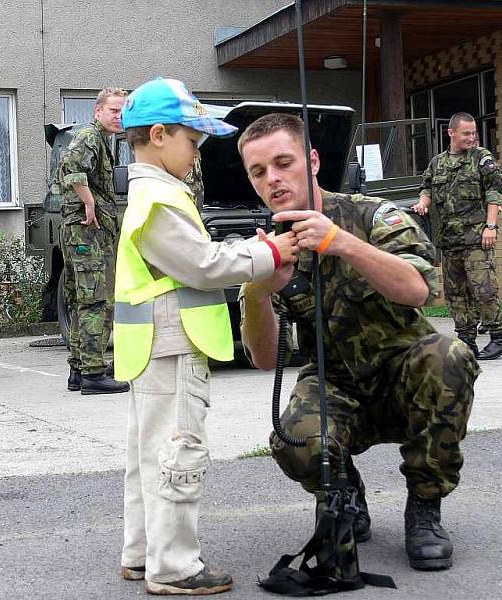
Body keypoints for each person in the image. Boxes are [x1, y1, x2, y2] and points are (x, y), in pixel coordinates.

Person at [238, 113, 479, 571]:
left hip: (403, 377)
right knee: (292, 438)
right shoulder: (271, 247)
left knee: (450, 356)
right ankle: (343, 486)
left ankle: (424, 508)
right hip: (335, 385)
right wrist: (257, 289)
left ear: (311, 161)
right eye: (258, 171)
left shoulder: (374, 216)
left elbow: (419, 291)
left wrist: (343, 243)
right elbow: (266, 359)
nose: (272, 179)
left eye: (283, 162)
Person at [114, 78, 298, 595]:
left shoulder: (153, 193)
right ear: (157, 135)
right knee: (180, 450)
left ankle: (141, 553)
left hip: (152, 345)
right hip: (173, 345)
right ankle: (174, 567)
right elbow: (202, 264)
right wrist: (272, 253)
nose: (197, 154)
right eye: (192, 142)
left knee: (149, 455)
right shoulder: (160, 198)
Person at [414, 112, 502, 360]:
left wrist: (491, 226)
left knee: (484, 288)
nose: (471, 138)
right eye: (466, 133)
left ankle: (499, 338)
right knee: (456, 292)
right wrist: (423, 203)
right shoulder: (438, 163)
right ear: (451, 133)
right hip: (449, 240)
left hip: (477, 238)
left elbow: (495, 190)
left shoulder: (481, 158)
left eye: (474, 133)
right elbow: (427, 186)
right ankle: (467, 339)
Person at [55, 87, 130, 394]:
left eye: (123, 111)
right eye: (113, 110)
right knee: (96, 300)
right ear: (98, 111)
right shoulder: (89, 136)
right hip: (86, 231)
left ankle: (79, 369)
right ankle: (94, 374)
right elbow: (72, 170)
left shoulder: (101, 139)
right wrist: (89, 203)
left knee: (80, 299)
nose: (119, 116)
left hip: (83, 233)